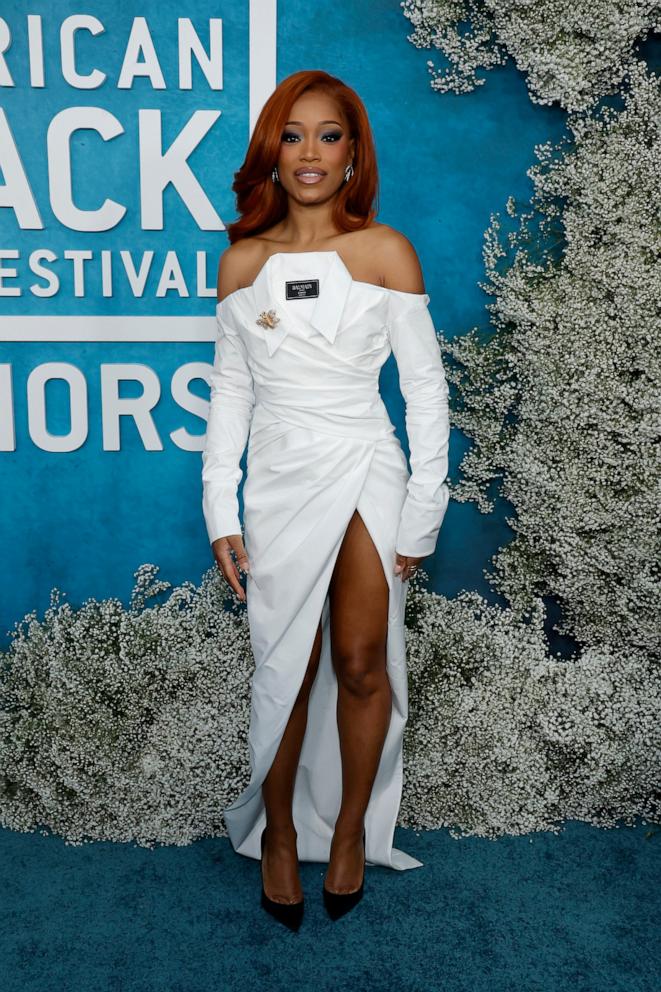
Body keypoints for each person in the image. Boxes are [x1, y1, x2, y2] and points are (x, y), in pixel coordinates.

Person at [201, 69, 450, 929]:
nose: (310, 153)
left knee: (358, 664)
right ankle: (276, 838)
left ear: (353, 155)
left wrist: (422, 513)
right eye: (294, 134)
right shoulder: (240, 264)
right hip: (274, 482)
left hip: (368, 472)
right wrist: (220, 513)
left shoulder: (385, 252)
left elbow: (424, 396)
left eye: (329, 135)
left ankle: (349, 833)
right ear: (273, 149)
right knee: (283, 673)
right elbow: (228, 397)